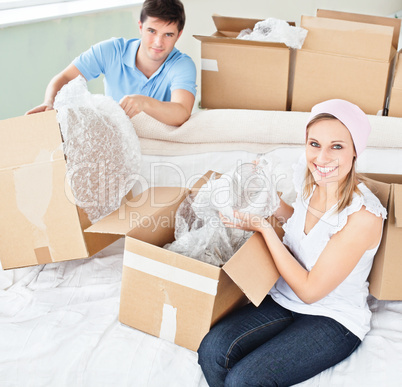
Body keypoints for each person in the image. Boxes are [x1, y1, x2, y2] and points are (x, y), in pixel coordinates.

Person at [197, 99, 387, 387]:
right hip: (284, 298)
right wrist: (269, 201)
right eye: (314, 144)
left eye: (337, 146)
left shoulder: (363, 215)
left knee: (244, 380)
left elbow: (311, 291)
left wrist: (262, 228)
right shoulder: (311, 182)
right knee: (211, 351)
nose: (321, 159)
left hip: (332, 318)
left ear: (355, 151)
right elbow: (298, 222)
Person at [26, 0, 196, 126]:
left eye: (168, 35)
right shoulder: (112, 50)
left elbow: (182, 112)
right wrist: (49, 102)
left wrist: (144, 103)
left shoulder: (182, 65)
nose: (158, 42)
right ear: (140, 27)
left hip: (158, 142)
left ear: (179, 35)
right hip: (116, 136)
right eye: (152, 31)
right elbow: (65, 77)